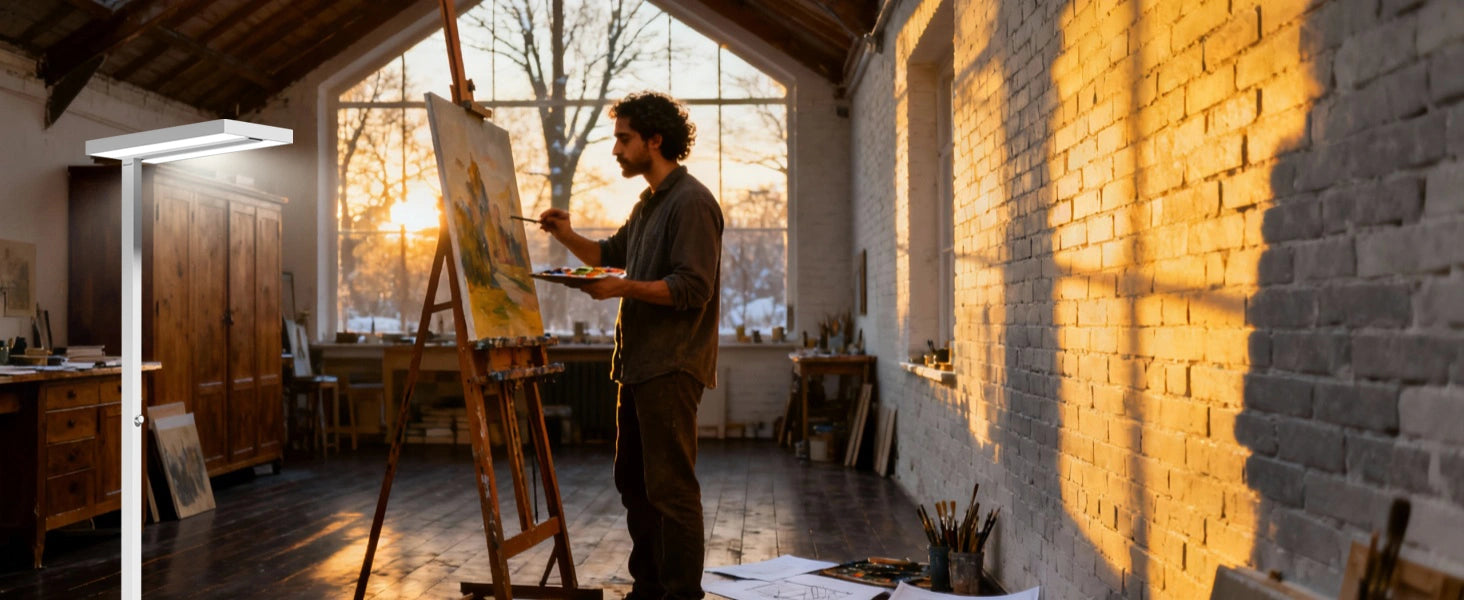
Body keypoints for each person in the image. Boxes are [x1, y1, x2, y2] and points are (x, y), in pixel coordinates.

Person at [537, 91, 722, 600]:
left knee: (671, 489)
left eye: (623, 138)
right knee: (634, 484)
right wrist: (567, 235)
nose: (615, 150)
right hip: (638, 365)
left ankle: (680, 595)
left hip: (672, 365)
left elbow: (692, 287)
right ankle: (650, 588)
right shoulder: (648, 204)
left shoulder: (692, 202)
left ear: (654, 140)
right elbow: (611, 256)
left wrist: (620, 287)